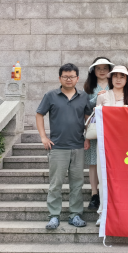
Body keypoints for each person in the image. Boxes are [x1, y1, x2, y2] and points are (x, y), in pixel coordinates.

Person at [36, 63, 92, 230]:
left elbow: (88, 118)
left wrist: (87, 137)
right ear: (60, 78)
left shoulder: (83, 96)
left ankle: (75, 215)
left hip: (78, 146)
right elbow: (39, 114)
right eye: (65, 77)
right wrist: (43, 137)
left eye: (72, 76)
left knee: (77, 184)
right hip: (58, 147)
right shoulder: (51, 95)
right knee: (56, 184)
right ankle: (54, 216)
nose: (69, 79)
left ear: (77, 78)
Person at [89, 65, 128, 226]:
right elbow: (97, 118)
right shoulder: (103, 96)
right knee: (104, 176)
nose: (118, 79)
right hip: (105, 143)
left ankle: (123, 212)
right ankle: (103, 212)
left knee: (123, 178)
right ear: (111, 78)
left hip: (125, 145)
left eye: (122, 76)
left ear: (127, 80)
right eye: (115, 76)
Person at [82, 57, 114, 212]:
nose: (102, 71)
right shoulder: (89, 88)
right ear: (93, 71)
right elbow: (85, 110)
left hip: (112, 128)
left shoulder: (114, 83)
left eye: (105, 68)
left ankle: (107, 191)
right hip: (95, 127)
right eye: (98, 68)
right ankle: (94, 193)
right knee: (93, 161)